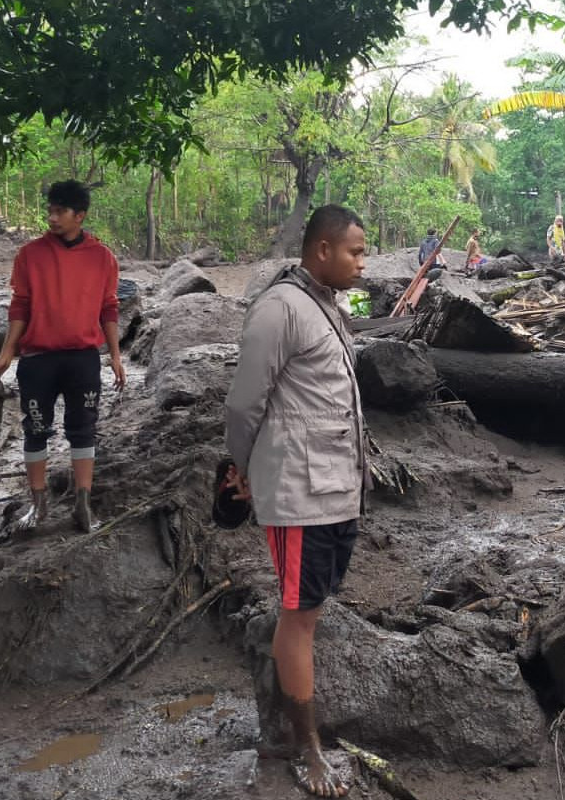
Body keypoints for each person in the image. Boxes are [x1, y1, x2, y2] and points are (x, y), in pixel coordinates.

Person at [224, 204, 369, 798]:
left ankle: (293, 725)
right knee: (299, 616)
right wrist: (239, 468)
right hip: (299, 495)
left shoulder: (326, 306)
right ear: (321, 251)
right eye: (355, 252)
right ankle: (306, 750)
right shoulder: (281, 308)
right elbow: (243, 404)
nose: (363, 262)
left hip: (336, 489)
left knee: (308, 610)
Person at [0, 180, 125, 531]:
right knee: (35, 429)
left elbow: (109, 308)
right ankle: (39, 506)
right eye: (49, 210)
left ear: (80, 215)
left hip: (83, 359)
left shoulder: (102, 258)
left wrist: (116, 356)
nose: (51, 217)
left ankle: (83, 505)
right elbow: (20, 306)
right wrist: (6, 355)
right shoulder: (30, 255)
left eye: (59, 211)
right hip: (37, 360)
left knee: (84, 431)